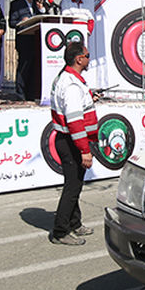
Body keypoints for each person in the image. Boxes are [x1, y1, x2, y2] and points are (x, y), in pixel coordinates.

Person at [49, 41, 96, 246]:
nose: (88, 59)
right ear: (78, 59)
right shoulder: (71, 85)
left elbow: (76, 107)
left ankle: (74, 223)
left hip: (68, 140)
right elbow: (75, 122)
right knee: (72, 188)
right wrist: (85, 150)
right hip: (71, 141)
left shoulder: (68, 79)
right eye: (86, 55)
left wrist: (91, 97)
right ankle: (60, 231)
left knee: (75, 185)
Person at [8, 0, 49, 102]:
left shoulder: (37, 4)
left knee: (34, 67)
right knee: (24, 67)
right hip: (24, 39)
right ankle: (20, 94)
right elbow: (11, 23)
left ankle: (31, 93)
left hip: (36, 40)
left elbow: (43, 17)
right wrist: (22, 22)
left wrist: (41, 9)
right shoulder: (16, 4)